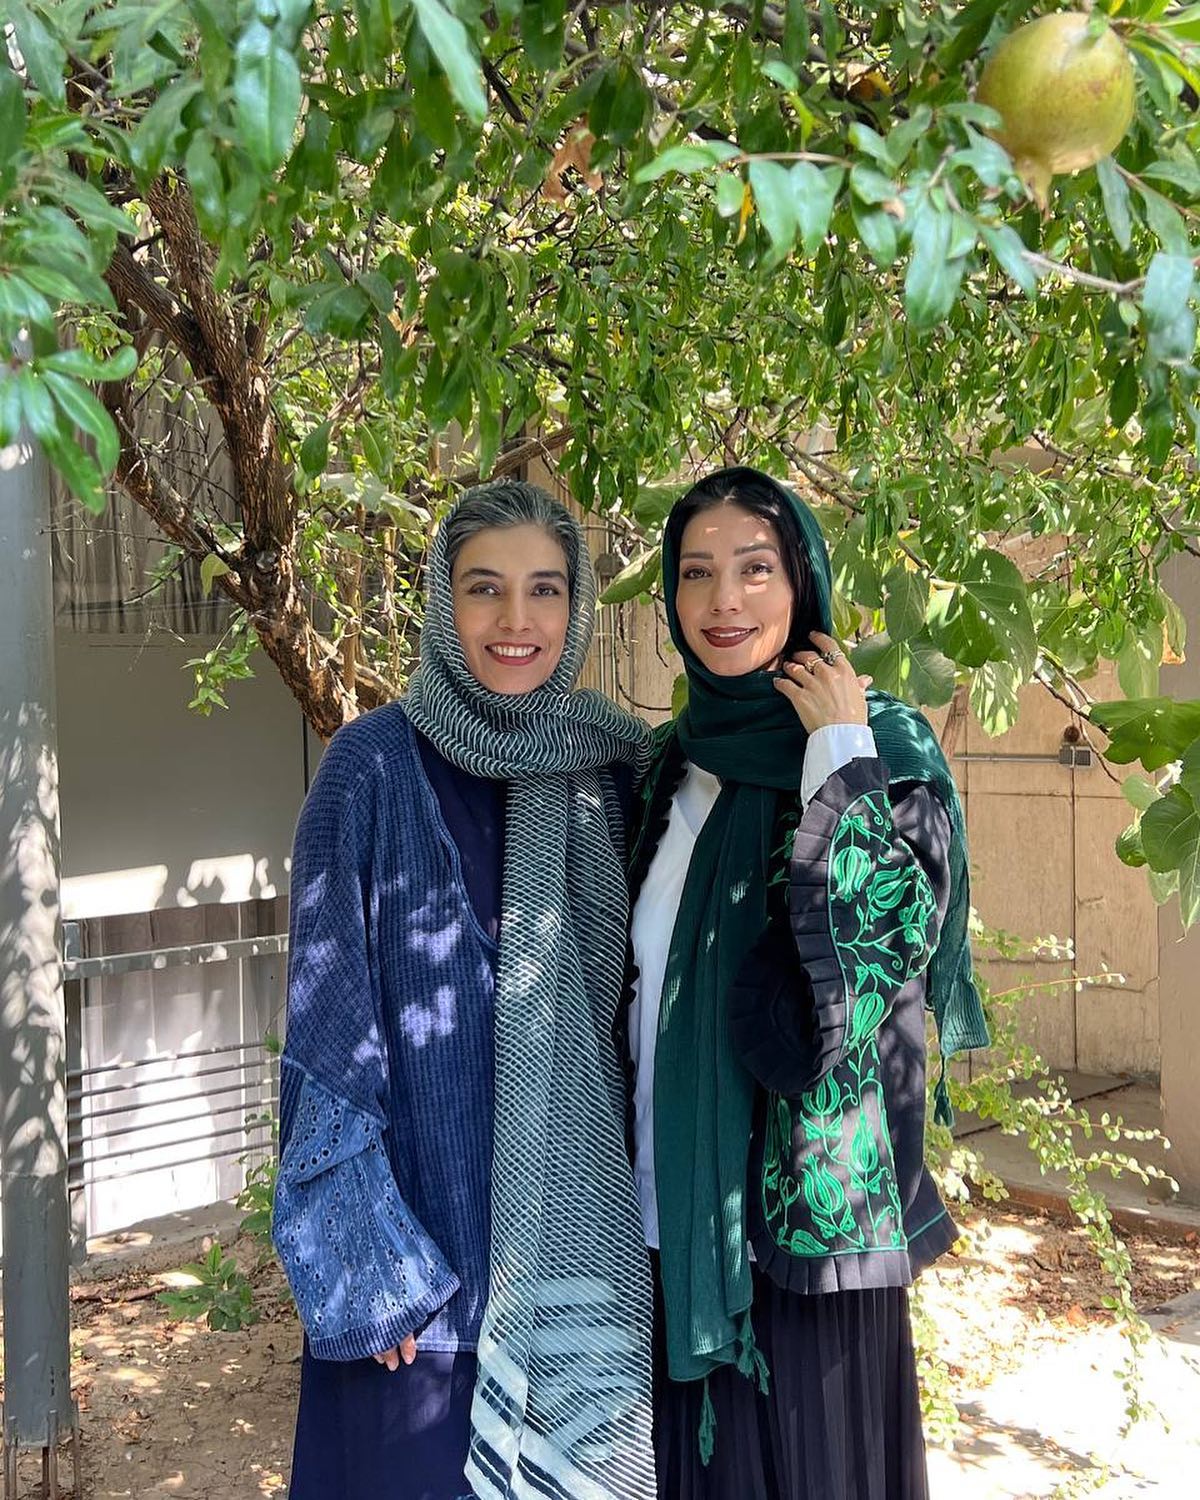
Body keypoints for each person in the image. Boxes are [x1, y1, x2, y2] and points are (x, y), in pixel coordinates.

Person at [272, 480, 657, 1500]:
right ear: (445, 603)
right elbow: (325, 1027)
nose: (516, 620)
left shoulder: (614, 774)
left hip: (578, 1289)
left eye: (545, 589)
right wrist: (367, 1267)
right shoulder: (370, 769)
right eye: (485, 588)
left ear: (578, 607)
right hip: (421, 1298)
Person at [625, 466, 989, 1499]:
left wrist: (837, 749)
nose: (723, 600)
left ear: (803, 583)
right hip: (677, 1219)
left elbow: (877, 958)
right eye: (696, 572)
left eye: (755, 569)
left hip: (810, 1237)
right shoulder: (666, 766)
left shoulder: (884, 749)